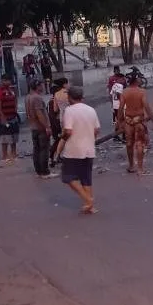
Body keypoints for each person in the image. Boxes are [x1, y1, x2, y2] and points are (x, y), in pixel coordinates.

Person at [57, 86, 100, 215]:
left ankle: (89, 201)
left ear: (70, 97)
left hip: (74, 149)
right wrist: (90, 138)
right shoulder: (91, 110)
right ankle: (90, 206)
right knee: (86, 178)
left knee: (68, 177)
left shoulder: (69, 111)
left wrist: (62, 139)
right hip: (89, 148)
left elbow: (68, 131)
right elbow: (96, 130)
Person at [117, 72, 153, 174]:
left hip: (128, 120)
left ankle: (131, 166)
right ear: (136, 80)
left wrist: (119, 122)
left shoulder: (124, 92)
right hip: (139, 120)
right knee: (140, 143)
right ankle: (140, 168)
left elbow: (120, 108)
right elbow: (146, 107)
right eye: (139, 79)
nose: (140, 80)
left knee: (129, 144)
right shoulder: (142, 92)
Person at [25, 79, 55, 179]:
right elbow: (39, 113)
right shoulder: (37, 98)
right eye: (41, 85)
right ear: (37, 86)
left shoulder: (28, 97)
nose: (43, 87)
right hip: (40, 127)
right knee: (44, 150)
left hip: (33, 127)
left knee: (37, 149)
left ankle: (38, 171)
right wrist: (47, 127)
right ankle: (45, 172)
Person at [0, 73, 20, 163]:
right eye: (7, 80)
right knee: (5, 137)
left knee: (14, 136)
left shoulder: (12, 90)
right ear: (3, 81)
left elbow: (15, 99)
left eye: (10, 80)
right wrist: (3, 118)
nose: (9, 82)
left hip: (13, 117)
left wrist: (16, 109)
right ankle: (5, 156)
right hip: (5, 118)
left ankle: (14, 154)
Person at [47, 78, 66, 167]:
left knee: (60, 140)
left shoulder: (53, 100)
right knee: (59, 140)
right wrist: (57, 126)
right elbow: (53, 115)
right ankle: (52, 157)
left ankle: (55, 156)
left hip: (57, 122)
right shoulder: (52, 102)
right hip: (56, 124)